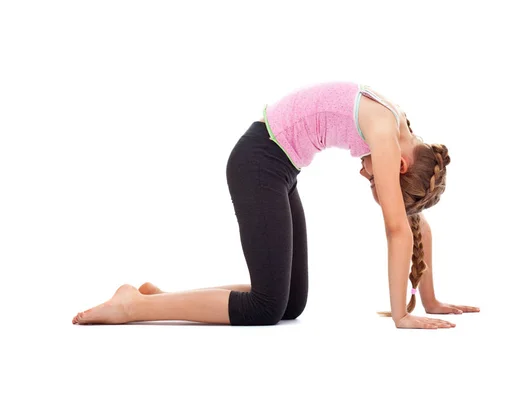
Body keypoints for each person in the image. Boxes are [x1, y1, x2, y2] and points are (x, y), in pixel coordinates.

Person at [72, 81, 479, 329]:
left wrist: (429, 300)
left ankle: (158, 298)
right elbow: (396, 227)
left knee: (290, 303)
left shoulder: (398, 125)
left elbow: (413, 222)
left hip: (277, 168)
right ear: (402, 165)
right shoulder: (388, 135)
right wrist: (401, 315)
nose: (365, 175)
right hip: (259, 162)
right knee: (266, 307)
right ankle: (132, 307)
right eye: (375, 179)